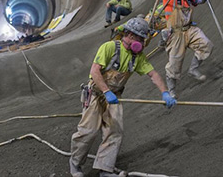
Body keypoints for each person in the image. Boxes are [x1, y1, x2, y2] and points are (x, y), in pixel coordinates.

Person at [69, 17, 177, 177]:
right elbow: (95, 71)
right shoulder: (109, 47)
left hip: (115, 96)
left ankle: (105, 169)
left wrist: (165, 92)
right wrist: (106, 91)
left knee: (115, 131)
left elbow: (153, 74)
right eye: (141, 38)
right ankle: (75, 164)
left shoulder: (137, 57)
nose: (143, 42)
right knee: (88, 131)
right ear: (131, 36)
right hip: (97, 93)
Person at [162, 0, 213, 98]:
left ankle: (194, 69)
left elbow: (199, 1)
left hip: (190, 29)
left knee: (206, 45)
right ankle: (171, 90)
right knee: (174, 64)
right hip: (175, 33)